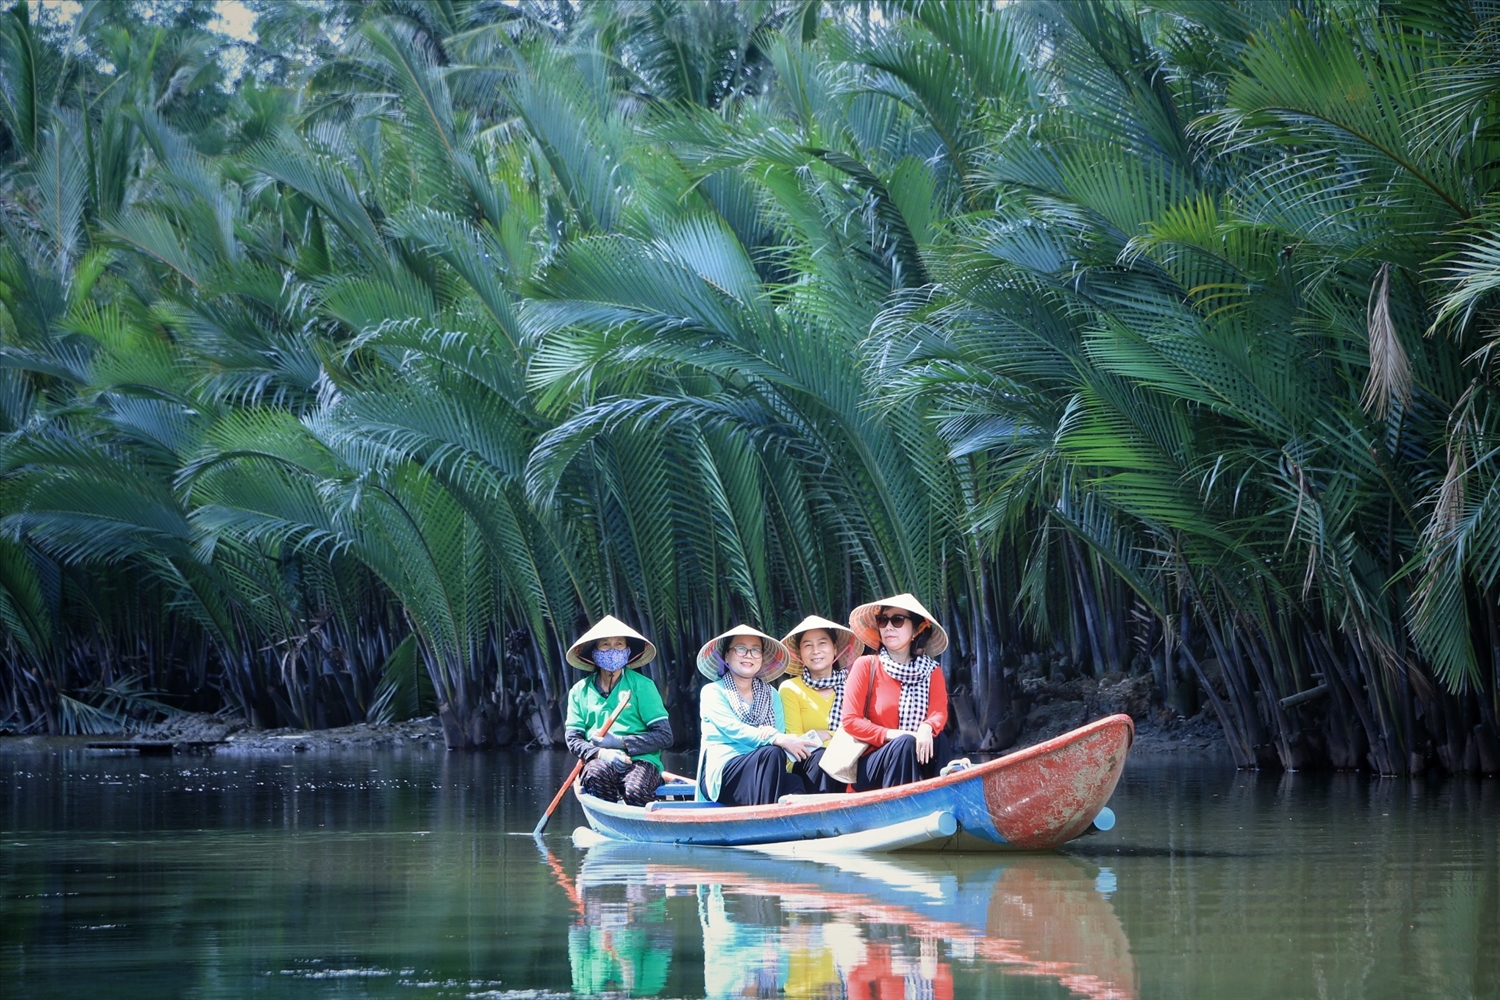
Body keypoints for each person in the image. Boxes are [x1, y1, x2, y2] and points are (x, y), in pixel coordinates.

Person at [841, 594, 955, 790]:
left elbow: (938, 713)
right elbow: (850, 721)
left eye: (897, 620)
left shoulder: (932, 671)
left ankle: (945, 798)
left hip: (915, 753)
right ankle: (900, 812)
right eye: (883, 620)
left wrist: (926, 727)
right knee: (905, 743)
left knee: (939, 739)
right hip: (871, 764)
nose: (888, 627)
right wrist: (894, 734)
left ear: (917, 629)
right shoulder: (866, 665)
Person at [695, 625, 814, 805]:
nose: (748, 655)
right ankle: (763, 821)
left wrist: (775, 737)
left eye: (755, 650)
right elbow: (733, 729)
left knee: (794, 782)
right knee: (771, 753)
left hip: (764, 766)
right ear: (727, 655)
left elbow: (779, 732)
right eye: (741, 648)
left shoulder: (771, 694)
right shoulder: (712, 691)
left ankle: (803, 828)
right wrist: (771, 737)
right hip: (724, 771)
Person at [563, 615, 672, 807]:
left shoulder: (642, 686)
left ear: (628, 651)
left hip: (640, 760)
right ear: (594, 652)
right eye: (605, 645)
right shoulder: (579, 691)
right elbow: (573, 739)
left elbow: (664, 736)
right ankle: (608, 821)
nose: (613, 650)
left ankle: (644, 827)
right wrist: (600, 753)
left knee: (635, 789)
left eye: (619, 644)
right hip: (599, 759)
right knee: (596, 774)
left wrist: (622, 743)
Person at [778, 615, 858, 794]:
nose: (816, 651)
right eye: (808, 645)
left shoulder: (852, 685)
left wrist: (824, 735)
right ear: (800, 654)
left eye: (822, 643)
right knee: (823, 757)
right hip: (808, 763)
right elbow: (796, 741)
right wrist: (832, 738)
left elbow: (861, 729)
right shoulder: (790, 688)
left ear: (835, 648)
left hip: (851, 757)